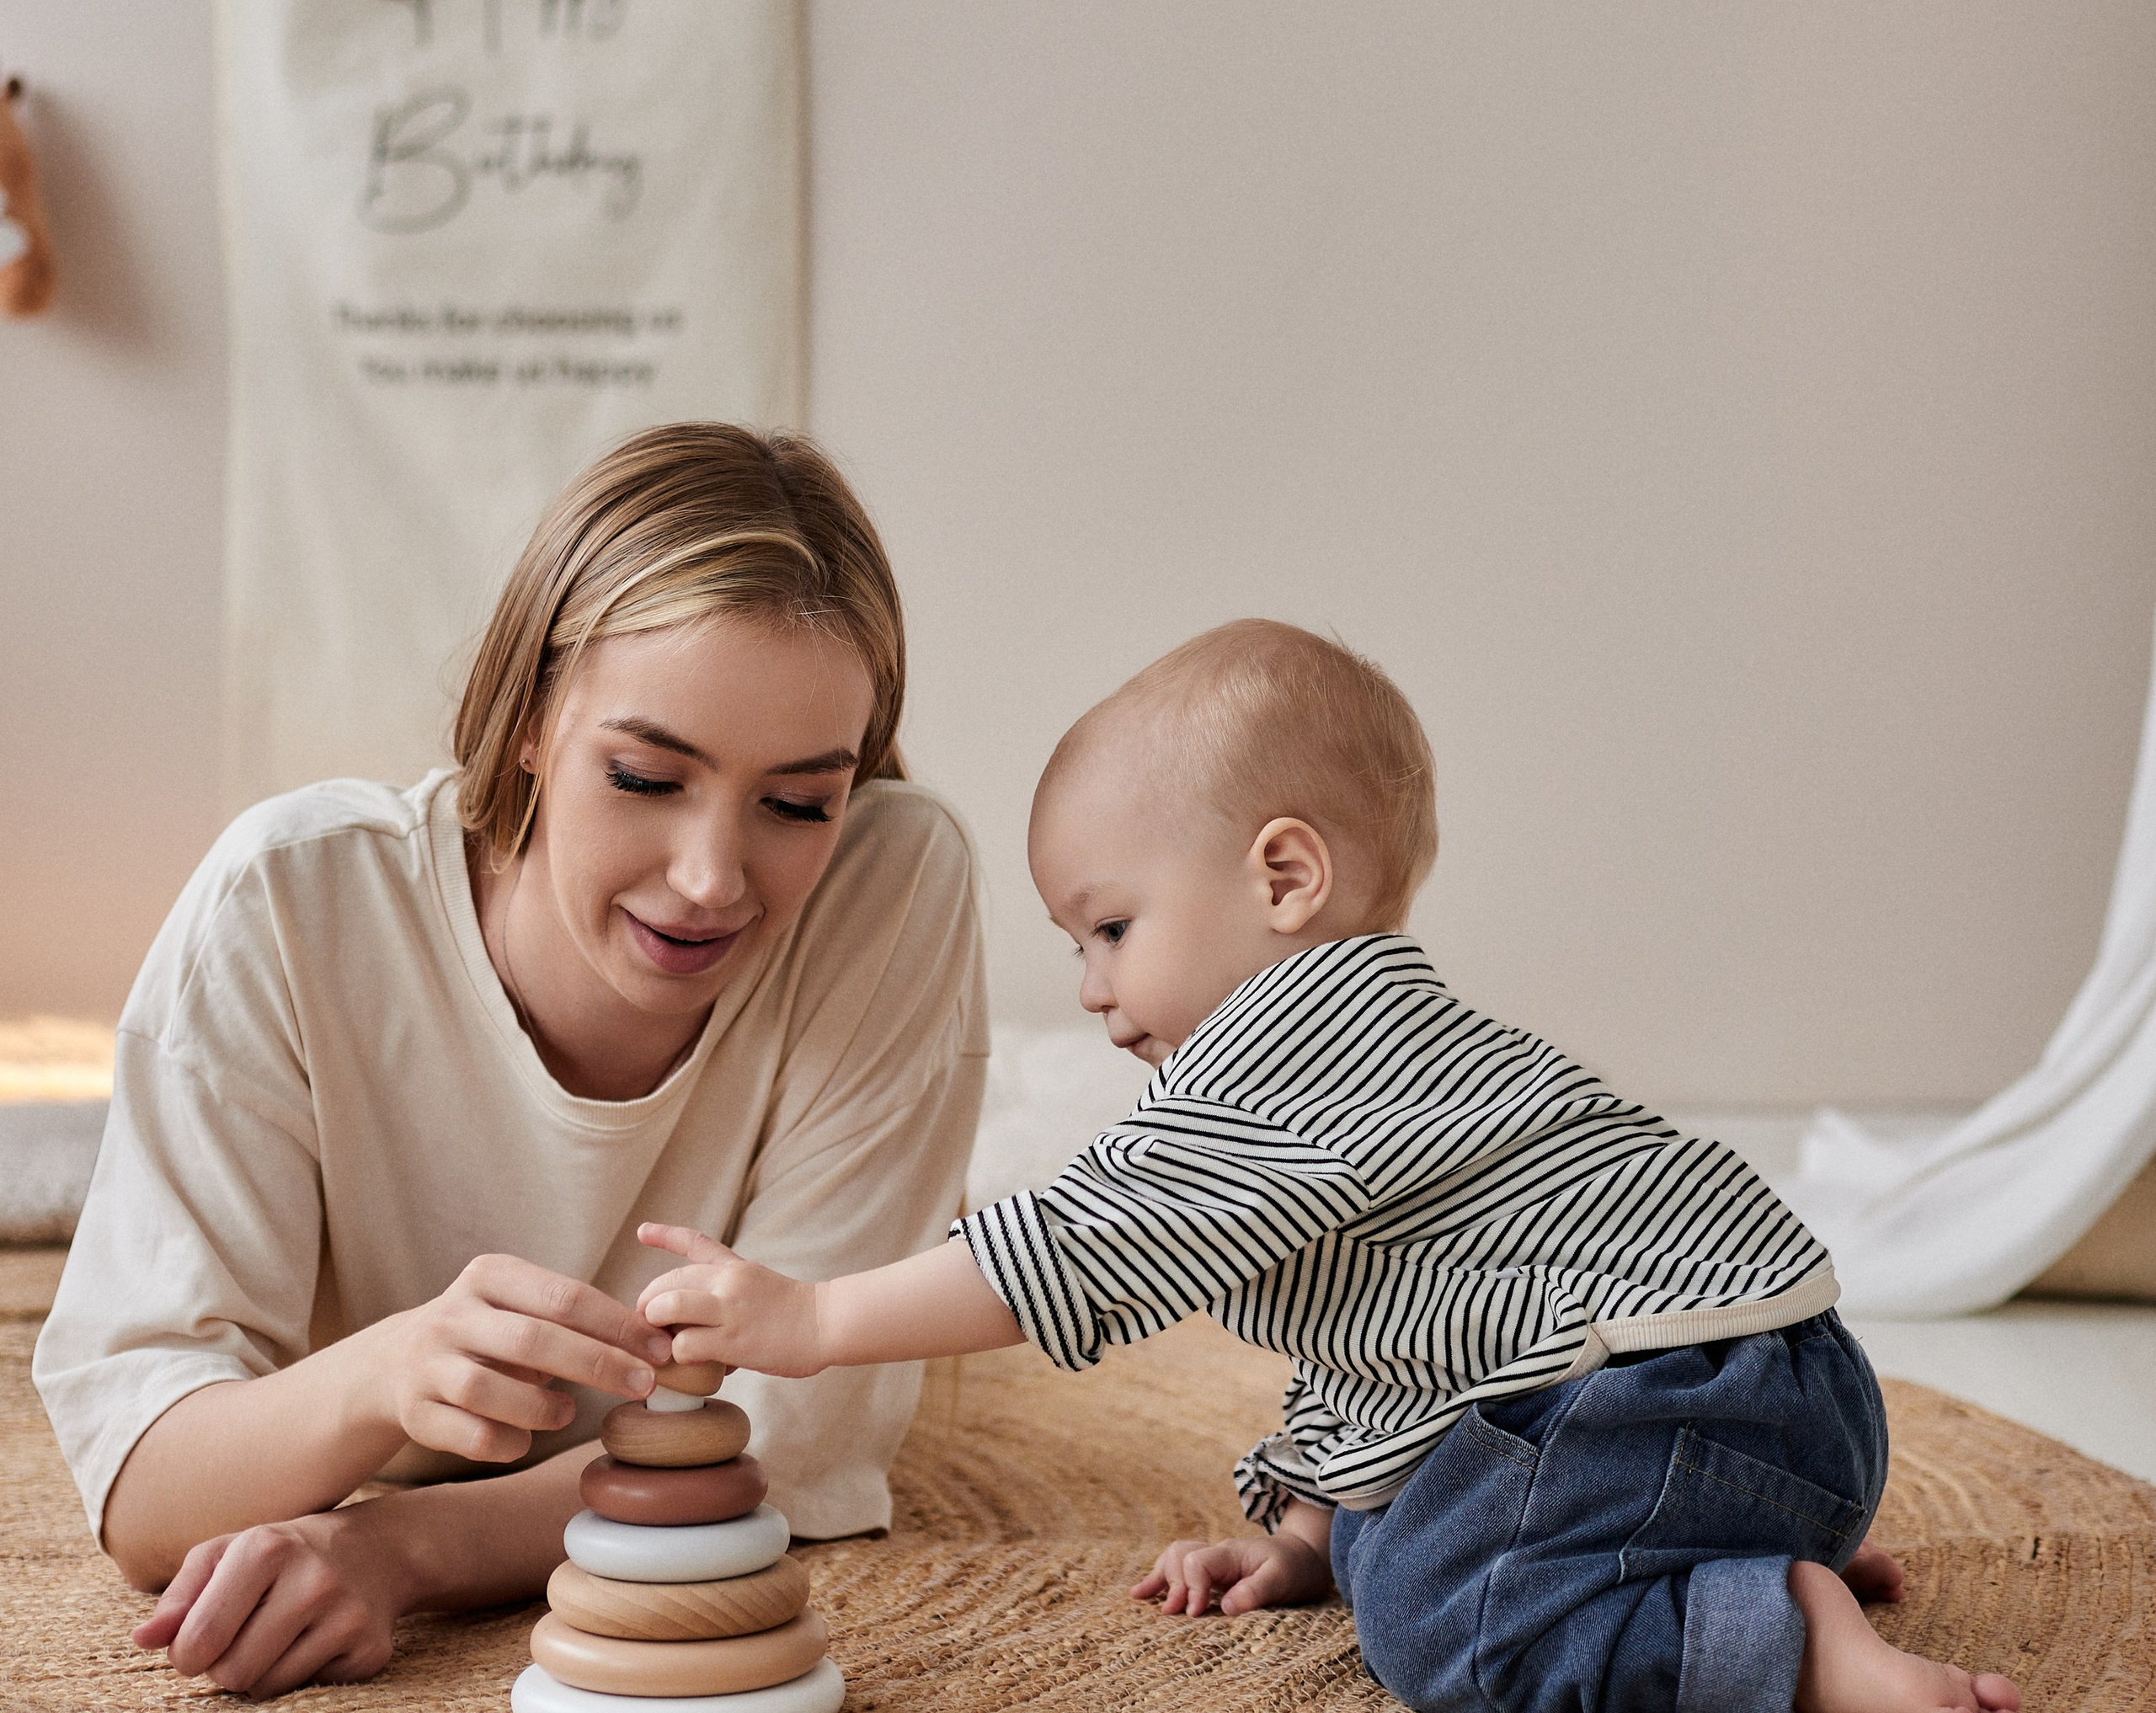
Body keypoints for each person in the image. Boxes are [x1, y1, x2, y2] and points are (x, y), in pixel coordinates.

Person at [635, 619, 2022, 1713]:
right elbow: (1391, 1351)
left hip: (1663, 1399)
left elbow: (1086, 1240)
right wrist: (1305, 1541)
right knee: (1392, 1537)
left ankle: (1779, 1641)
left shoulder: (1286, 1042)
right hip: (1781, 1406)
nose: (1091, 991)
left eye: (1111, 928)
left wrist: (816, 1321)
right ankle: (1706, 1563)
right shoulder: (1383, 1044)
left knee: (1450, 1628)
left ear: (1283, 878)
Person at [34, 423, 988, 1700]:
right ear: (531, 719)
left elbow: (794, 1444)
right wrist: (382, 1376)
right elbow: (146, 1488)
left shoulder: (893, 883)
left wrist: (403, 1546)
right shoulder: (288, 905)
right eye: (647, 776)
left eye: (798, 803)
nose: (712, 881)